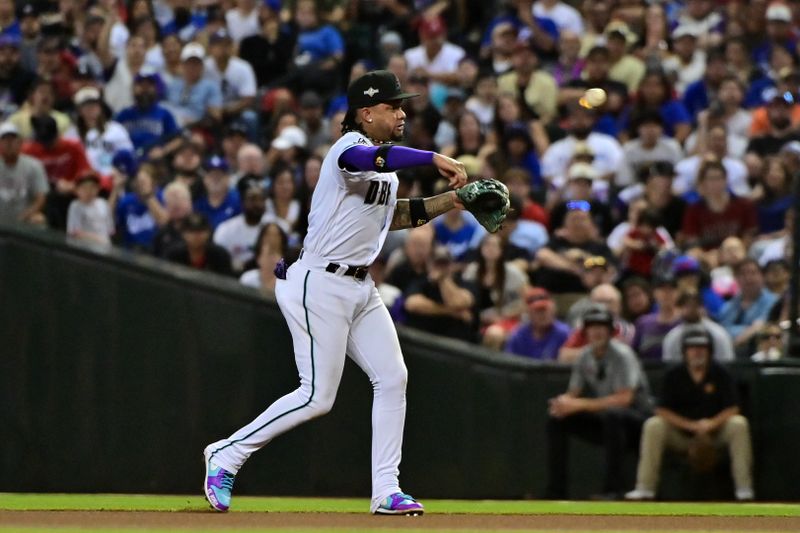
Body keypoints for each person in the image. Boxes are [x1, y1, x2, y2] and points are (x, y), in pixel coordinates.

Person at [202, 70, 468, 516]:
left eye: (402, 106)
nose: (402, 113)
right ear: (366, 113)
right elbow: (372, 162)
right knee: (317, 396)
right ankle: (225, 454)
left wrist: (451, 203)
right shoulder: (347, 150)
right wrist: (432, 156)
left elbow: (389, 217)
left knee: (393, 377)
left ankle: (386, 490)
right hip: (320, 282)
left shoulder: (386, 165)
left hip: (360, 285)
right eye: (392, 106)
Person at [625, 325, 754, 501]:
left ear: (709, 351)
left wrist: (710, 425)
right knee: (654, 425)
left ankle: (744, 489)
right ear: (685, 351)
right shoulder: (674, 374)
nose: (697, 353)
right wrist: (691, 426)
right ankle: (645, 488)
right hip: (681, 435)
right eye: (693, 348)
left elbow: (733, 407)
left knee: (738, 424)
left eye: (702, 348)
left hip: (714, 434)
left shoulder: (721, 373)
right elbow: (662, 410)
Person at [545, 304, 652, 500]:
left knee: (614, 415)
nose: (596, 331)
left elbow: (624, 399)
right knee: (557, 419)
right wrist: (563, 403)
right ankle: (556, 492)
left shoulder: (623, 354)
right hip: (608, 419)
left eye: (601, 327)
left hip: (639, 420)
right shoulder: (584, 356)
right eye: (592, 327)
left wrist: (578, 404)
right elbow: (573, 394)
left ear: (611, 331)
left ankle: (613, 490)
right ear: (585, 332)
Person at [662, 289, 735, 363]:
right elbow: (669, 367)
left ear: (703, 308)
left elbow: (727, 364)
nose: (690, 309)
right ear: (679, 308)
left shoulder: (718, 334)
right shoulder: (672, 337)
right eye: (686, 305)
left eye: (695, 305)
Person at [504, 287, 570, 360]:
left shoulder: (564, 334)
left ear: (552, 309)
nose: (543, 315)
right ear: (529, 313)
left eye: (545, 310)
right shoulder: (518, 335)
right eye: (538, 311)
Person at [0, 121, 46, 224]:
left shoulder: (34, 165)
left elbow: (41, 197)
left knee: (39, 219)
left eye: (13, 140)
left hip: (24, 217)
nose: (9, 144)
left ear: (20, 143)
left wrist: (26, 214)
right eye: (5, 140)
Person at [165, 212, 234, 276]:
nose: (196, 236)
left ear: (208, 233)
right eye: (191, 231)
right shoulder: (174, 255)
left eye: (200, 231)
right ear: (183, 234)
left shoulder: (220, 255)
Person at [66, 171, 114, 245]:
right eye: (84, 187)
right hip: (83, 248)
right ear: (76, 190)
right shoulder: (76, 206)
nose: (89, 191)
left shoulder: (103, 203)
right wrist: (98, 238)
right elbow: (74, 232)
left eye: (93, 187)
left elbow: (110, 230)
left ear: (98, 188)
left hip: (105, 248)